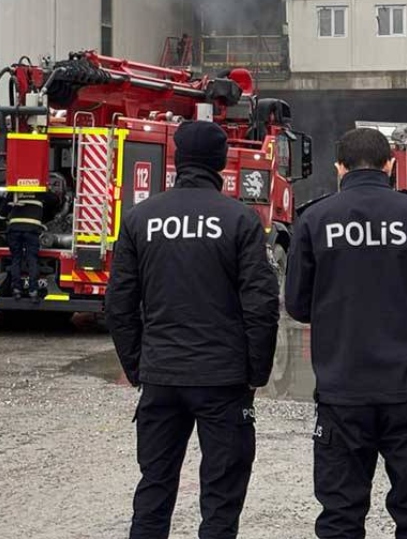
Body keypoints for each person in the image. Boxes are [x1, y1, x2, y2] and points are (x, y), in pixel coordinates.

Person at [285, 128, 407, 539]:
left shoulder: (314, 219)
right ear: (390, 165)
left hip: (342, 391)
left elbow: (296, 304)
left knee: (340, 516)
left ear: (339, 168)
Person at [106, 121, 279, 539]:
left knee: (154, 486)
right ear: (220, 164)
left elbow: (119, 304)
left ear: (178, 160)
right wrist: (255, 373)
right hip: (223, 380)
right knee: (221, 496)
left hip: (161, 377)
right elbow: (262, 304)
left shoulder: (139, 218)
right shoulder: (240, 219)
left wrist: (138, 366)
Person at [0, 191, 57, 298]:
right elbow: (54, 200)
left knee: (16, 258)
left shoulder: (14, 190)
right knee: (32, 259)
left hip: (15, 230)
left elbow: (3, 210)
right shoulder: (40, 191)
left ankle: (16, 289)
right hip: (32, 231)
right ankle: (33, 290)